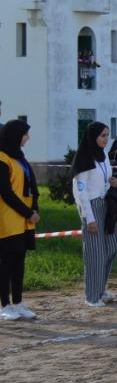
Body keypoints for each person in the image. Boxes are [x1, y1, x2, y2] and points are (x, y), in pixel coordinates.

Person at [71, 122, 117, 307]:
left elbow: (103, 179)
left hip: (106, 204)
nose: (105, 139)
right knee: (96, 253)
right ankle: (92, 296)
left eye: (107, 135)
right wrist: (89, 218)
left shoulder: (103, 155)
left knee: (111, 247)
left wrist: (113, 182)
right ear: (93, 136)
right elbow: (81, 191)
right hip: (92, 206)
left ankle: (100, 288)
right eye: (102, 135)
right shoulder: (85, 158)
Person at [0, 120, 39, 320]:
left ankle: (18, 302)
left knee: (19, 262)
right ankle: (4, 305)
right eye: (25, 134)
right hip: (7, 219)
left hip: (23, 220)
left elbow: (32, 186)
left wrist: (34, 208)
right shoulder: (2, 158)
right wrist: (28, 211)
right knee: (5, 263)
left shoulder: (20, 157)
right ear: (14, 135)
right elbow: (6, 193)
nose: (27, 138)